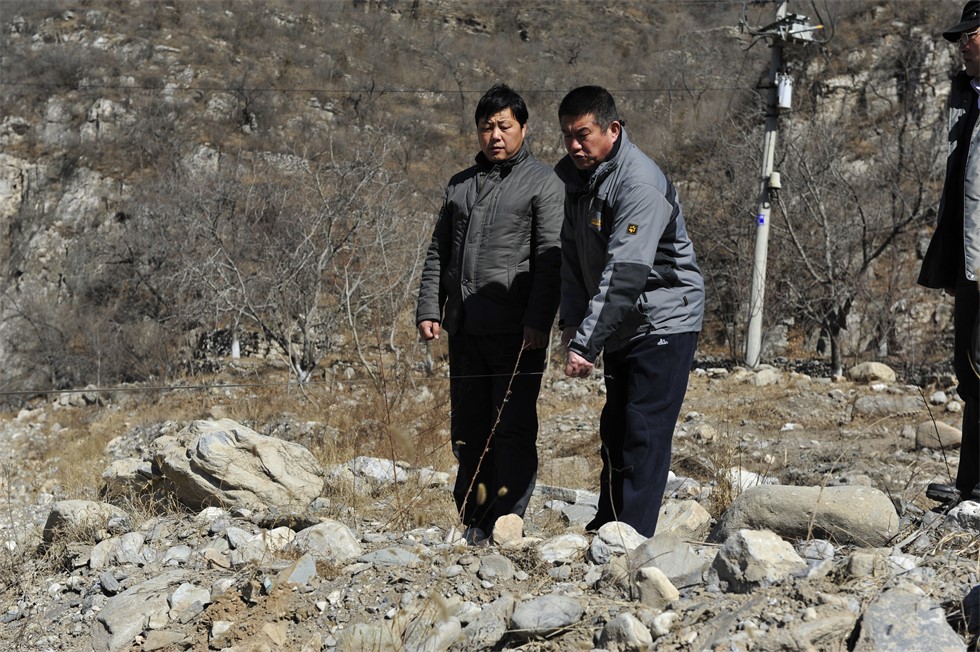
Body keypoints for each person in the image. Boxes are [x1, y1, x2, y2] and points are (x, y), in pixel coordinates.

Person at [416, 84, 563, 542]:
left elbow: (550, 260)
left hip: (516, 332)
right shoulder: (460, 184)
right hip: (464, 329)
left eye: (504, 126)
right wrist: (429, 307)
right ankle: (474, 519)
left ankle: (508, 519)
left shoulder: (543, 183)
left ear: (523, 128)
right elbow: (439, 252)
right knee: (468, 427)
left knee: (512, 426)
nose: (495, 135)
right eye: (486, 127)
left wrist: (539, 321)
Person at [555, 86, 704, 538]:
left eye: (584, 135)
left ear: (612, 130)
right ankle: (608, 526)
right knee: (615, 426)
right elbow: (573, 262)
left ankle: (631, 539)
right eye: (567, 136)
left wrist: (585, 344)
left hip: (665, 317)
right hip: (624, 322)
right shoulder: (580, 183)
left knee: (642, 431)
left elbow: (625, 273)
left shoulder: (637, 181)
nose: (575, 146)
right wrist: (571, 325)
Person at [923, 1, 980, 506]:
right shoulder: (967, 95)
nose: (962, 43)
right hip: (971, 261)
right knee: (970, 369)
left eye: (971, 34)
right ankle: (970, 485)